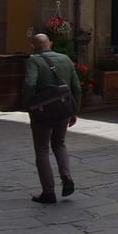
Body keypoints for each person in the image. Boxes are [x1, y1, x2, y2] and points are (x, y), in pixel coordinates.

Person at [23, 33, 81, 204]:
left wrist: (29, 105)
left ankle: (48, 192)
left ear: (34, 46)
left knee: (42, 149)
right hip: (63, 109)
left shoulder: (34, 60)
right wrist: (74, 110)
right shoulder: (65, 59)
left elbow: (30, 84)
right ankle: (66, 176)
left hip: (42, 112)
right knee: (59, 143)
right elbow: (76, 87)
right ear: (51, 44)